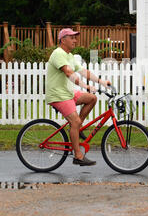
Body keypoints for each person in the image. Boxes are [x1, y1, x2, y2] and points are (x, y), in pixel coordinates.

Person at [46, 28, 111, 166]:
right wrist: (85, 86)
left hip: (68, 92)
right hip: (58, 95)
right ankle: (78, 156)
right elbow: (68, 72)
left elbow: (83, 72)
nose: (75, 40)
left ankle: (77, 128)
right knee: (74, 121)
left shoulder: (69, 55)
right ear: (63, 40)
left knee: (92, 99)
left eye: (75, 37)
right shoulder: (58, 53)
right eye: (72, 38)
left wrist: (101, 82)